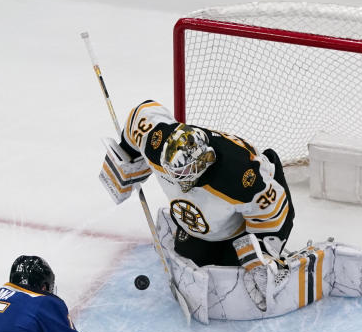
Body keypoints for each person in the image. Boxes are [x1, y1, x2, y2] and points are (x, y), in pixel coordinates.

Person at [99, 99, 295, 273]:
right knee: (192, 256)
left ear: (203, 162)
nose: (179, 182)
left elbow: (274, 210)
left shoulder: (240, 175)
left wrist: (264, 251)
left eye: (184, 175)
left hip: (253, 212)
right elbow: (141, 114)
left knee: (237, 270)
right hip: (206, 223)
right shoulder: (157, 141)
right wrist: (127, 153)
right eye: (174, 174)